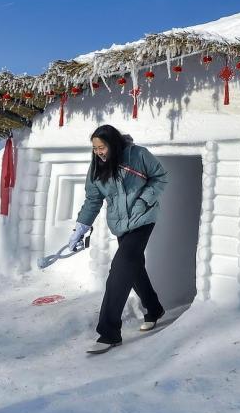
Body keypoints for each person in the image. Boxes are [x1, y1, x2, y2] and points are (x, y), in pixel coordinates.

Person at [68, 124, 168, 354]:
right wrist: (80, 228)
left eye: (101, 147)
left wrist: (144, 200)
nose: (98, 152)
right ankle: (154, 309)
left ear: (113, 143)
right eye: (94, 149)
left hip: (143, 218)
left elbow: (160, 177)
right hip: (121, 224)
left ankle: (109, 332)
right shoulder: (96, 168)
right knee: (133, 268)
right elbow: (93, 200)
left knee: (120, 269)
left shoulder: (138, 155)